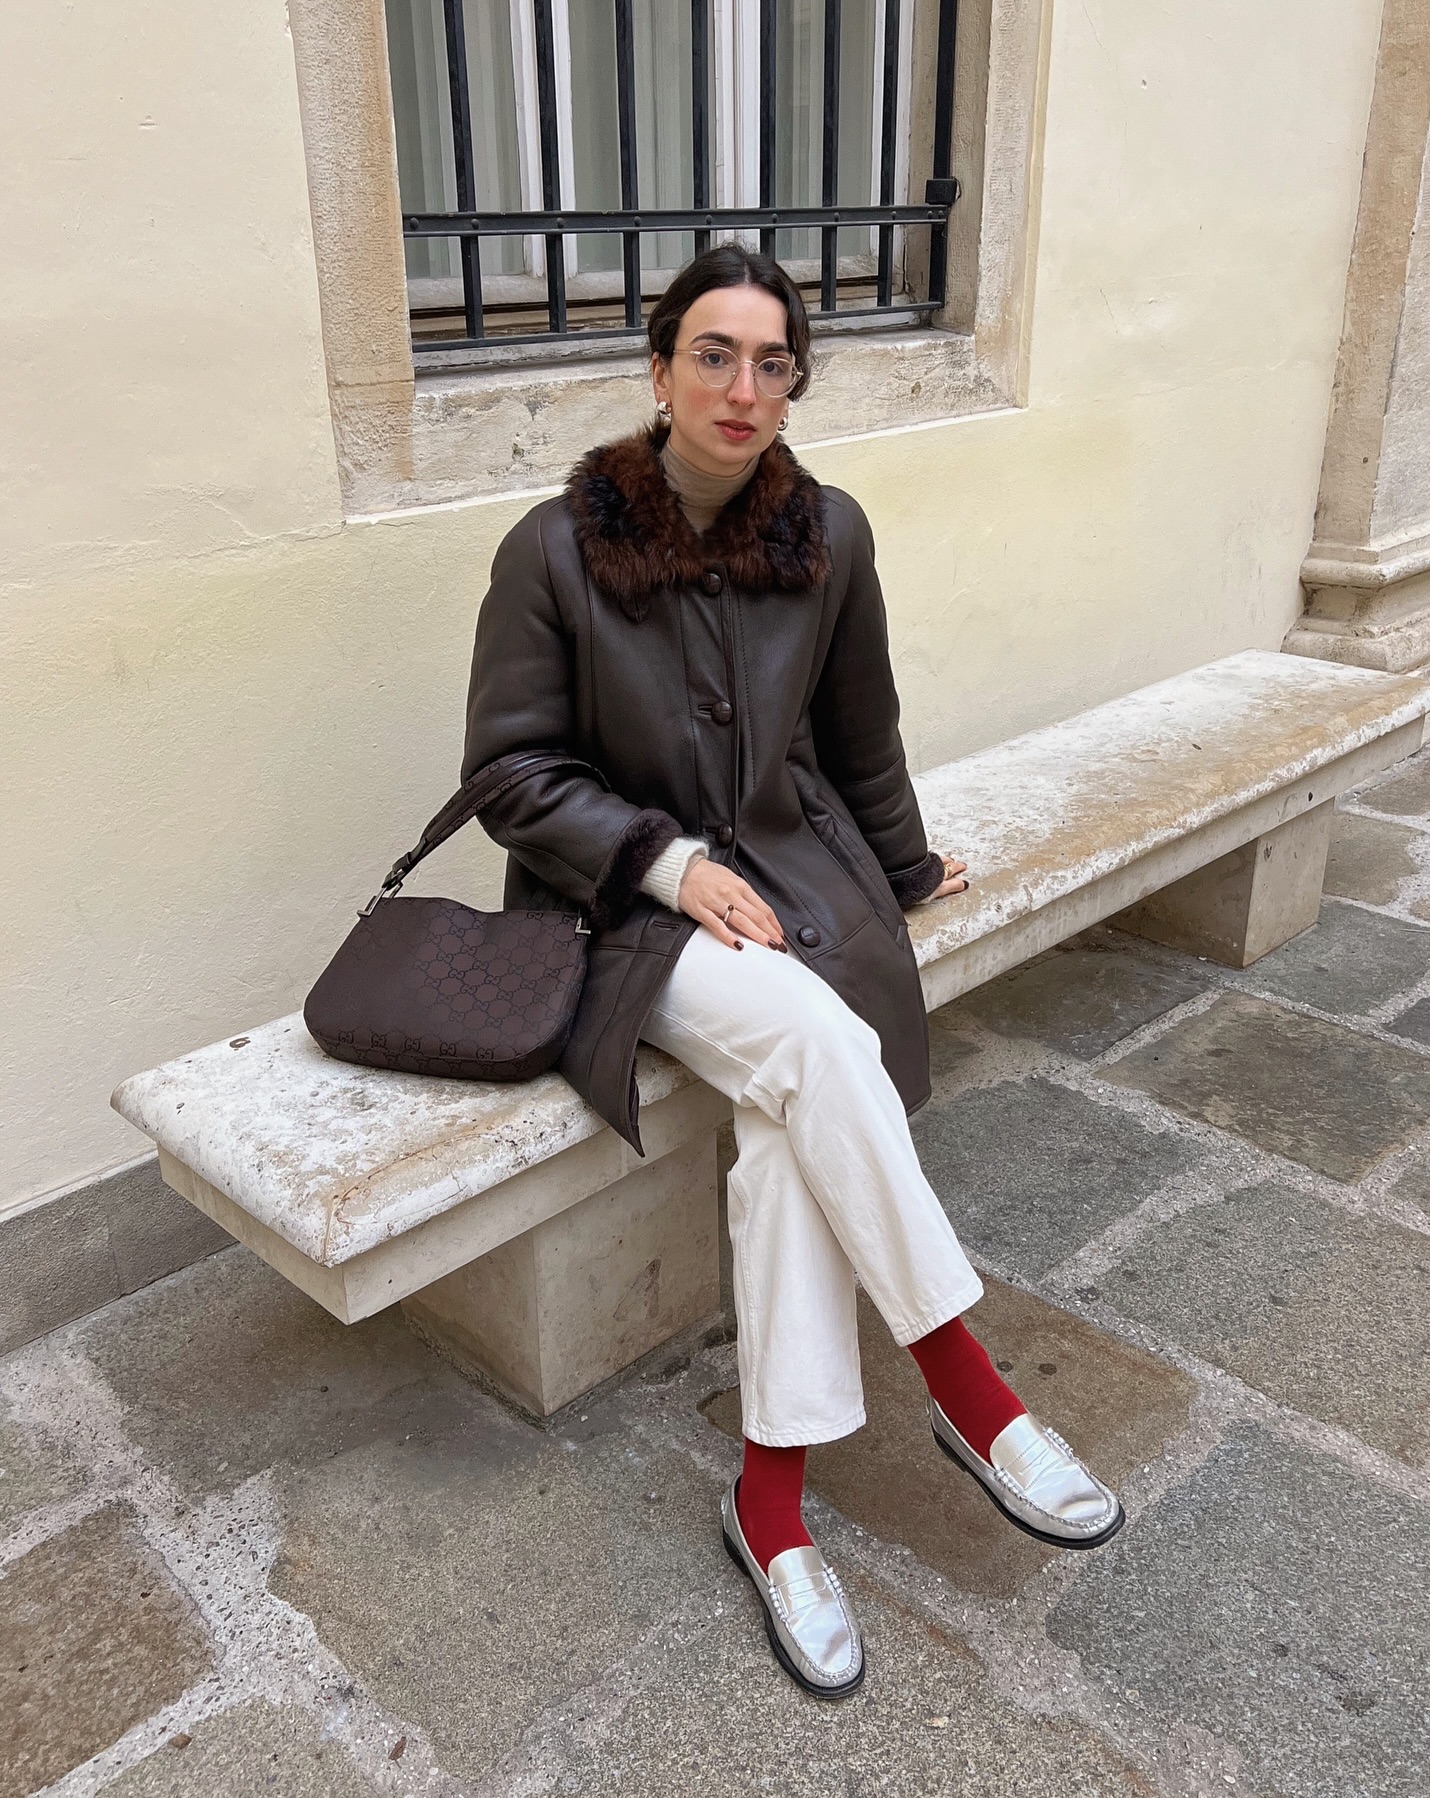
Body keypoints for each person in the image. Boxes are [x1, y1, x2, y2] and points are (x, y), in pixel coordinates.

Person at [462, 245, 1123, 1699]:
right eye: (713, 354)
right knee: (818, 1050)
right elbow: (510, 775)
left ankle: (771, 1510)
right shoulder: (554, 550)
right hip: (628, 912)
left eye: (772, 362)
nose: (742, 388)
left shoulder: (828, 531)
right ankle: (973, 1394)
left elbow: (862, 730)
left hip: (795, 882)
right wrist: (664, 862)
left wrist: (898, 868)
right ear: (657, 368)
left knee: (783, 1120)